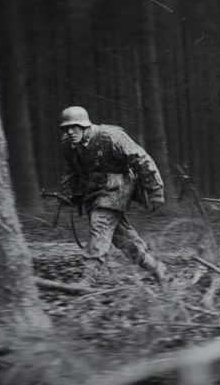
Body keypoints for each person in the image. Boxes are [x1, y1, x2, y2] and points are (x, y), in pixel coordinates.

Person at [58, 106, 167, 287]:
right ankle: (156, 268)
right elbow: (71, 170)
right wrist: (68, 192)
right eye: (66, 128)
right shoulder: (68, 145)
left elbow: (141, 159)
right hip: (93, 193)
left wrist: (155, 190)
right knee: (122, 239)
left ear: (85, 125)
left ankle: (88, 278)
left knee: (99, 225)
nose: (70, 132)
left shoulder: (110, 137)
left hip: (117, 188)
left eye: (74, 127)